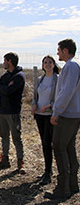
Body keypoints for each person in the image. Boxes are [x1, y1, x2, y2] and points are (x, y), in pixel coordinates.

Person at [44, 39, 80, 201]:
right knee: (68, 147)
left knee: (58, 147)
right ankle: (72, 184)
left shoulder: (71, 66)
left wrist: (56, 112)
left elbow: (66, 91)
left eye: (59, 50)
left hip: (67, 115)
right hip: (72, 114)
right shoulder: (74, 65)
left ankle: (62, 188)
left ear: (65, 50)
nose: (57, 52)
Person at [0, 52, 26, 173]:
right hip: (2, 111)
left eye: (5, 60)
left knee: (16, 137)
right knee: (4, 136)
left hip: (13, 112)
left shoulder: (19, 76)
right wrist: (5, 89)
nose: (3, 63)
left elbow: (10, 91)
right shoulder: (5, 76)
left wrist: (4, 89)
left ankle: (20, 162)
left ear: (10, 61)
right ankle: (5, 160)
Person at [32, 55, 59, 185]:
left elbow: (60, 97)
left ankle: (49, 172)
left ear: (54, 64)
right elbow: (35, 96)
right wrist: (33, 104)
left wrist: (51, 106)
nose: (47, 64)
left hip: (50, 115)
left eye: (50, 62)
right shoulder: (40, 79)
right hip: (39, 115)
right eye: (45, 62)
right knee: (44, 142)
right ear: (42, 65)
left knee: (48, 142)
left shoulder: (57, 80)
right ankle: (46, 170)